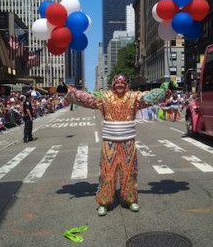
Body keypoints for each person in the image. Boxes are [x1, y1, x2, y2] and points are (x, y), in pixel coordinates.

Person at [65, 74, 171, 216]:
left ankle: (130, 199)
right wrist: (73, 92)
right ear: (113, 84)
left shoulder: (134, 96)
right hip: (110, 141)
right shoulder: (105, 96)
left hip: (128, 141)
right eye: (117, 83)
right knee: (107, 171)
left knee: (129, 171)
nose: (120, 85)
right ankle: (104, 201)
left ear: (126, 84)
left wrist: (164, 89)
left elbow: (149, 97)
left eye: (122, 83)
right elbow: (88, 98)